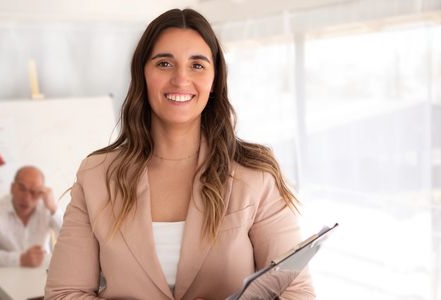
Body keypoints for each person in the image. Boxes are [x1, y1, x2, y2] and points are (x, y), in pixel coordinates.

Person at [44, 8, 315, 300]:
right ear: (142, 74)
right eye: (164, 63)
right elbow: (64, 294)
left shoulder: (256, 176)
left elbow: (296, 293)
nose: (181, 79)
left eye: (197, 65)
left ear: (214, 81)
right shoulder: (96, 175)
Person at [0, 166, 63, 268]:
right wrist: (20, 259)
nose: (26, 198)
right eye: (22, 189)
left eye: (33, 192)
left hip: (41, 273)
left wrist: (54, 209)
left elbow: (71, 237)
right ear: (12, 187)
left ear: (41, 192)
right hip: (6, 276)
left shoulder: (47, 207)